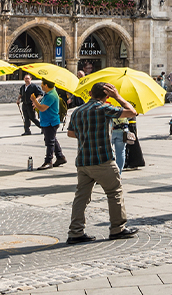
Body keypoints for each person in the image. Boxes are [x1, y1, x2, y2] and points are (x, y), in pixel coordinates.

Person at [65, 82, 139, 243]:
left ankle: (75, 232)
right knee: (114, 192)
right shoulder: (104, 108)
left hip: (83, 160)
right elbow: (132, 112)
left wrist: (87, 135)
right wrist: (117, 96)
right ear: (107, 96)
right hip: (102, 159)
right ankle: (117, 229)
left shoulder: (77, 111)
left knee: (81, 197)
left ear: (90, 93)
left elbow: (70, 133)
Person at [32, 79, 68, 168]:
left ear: (46, 85)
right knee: (52, 139)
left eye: (42, 84)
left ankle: (48, 161)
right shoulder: (48, 94)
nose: (41, 86)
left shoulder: (51, 95)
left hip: (50, 122)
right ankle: (60, 157)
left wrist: (34, 100)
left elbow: (42, 108)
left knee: (49, 142)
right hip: (47, 121)